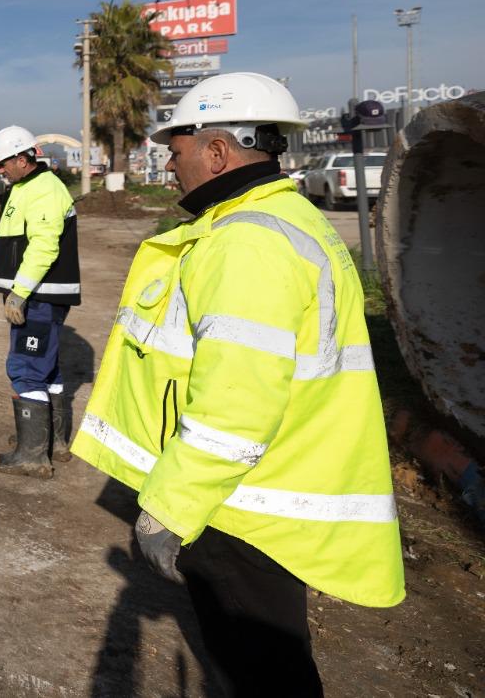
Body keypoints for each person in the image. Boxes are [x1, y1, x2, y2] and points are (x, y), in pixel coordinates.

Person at [72, 72, 404, 696]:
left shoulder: (246, 244)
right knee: (268, 665)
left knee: (263, 672)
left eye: (176, 152)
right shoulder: (287, 220)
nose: (170, 167)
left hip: (240, 506)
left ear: (218, 151)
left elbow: (235, 406)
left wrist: (170, 507)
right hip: (273, 477)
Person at [0, 125, 81, 478]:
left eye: (3, 163)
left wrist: (20, 292)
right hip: (41, 294)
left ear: (22, 159)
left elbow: (43, 245)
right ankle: (51, 441)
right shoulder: (29, 186)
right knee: (47, 368)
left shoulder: (43, 189)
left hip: (39, 295)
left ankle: (32, 456)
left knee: (26, 367)